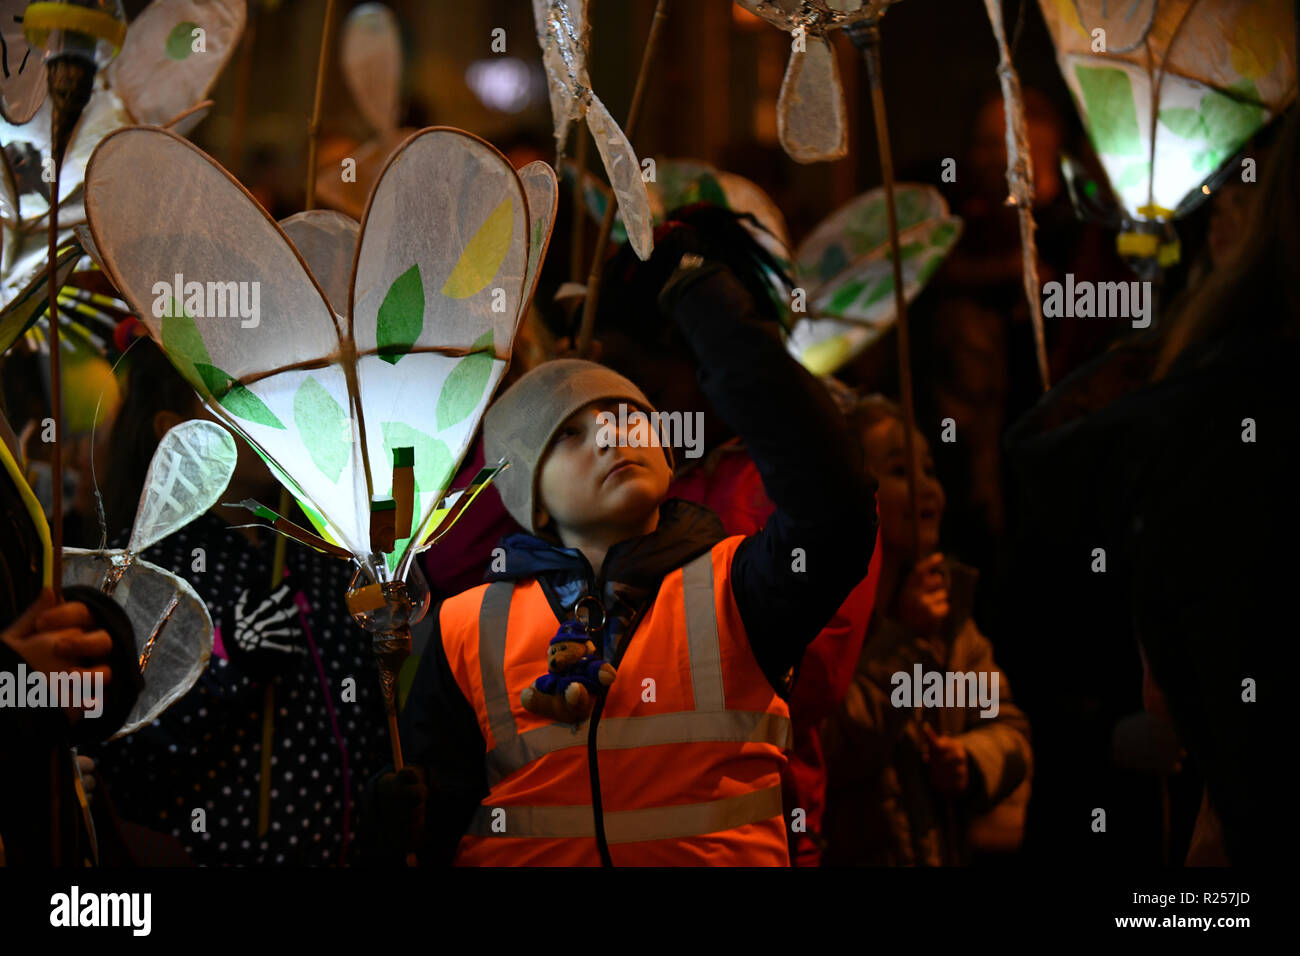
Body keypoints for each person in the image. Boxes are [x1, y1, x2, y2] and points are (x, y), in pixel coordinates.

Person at [366, 236, 878, 866]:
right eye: (571, 433)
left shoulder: (741, 586)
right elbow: (444, 820)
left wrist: (714, 310)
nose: (611, 436)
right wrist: (401, 834)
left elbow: (836, 502)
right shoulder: (463, 627)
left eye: (628, 416)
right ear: (534, 498)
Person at [87, 337, 391, 866]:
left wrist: (384, 792)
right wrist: (228, 661)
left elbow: (358, 711)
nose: (272, 413)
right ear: (177, 435)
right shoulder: (141, 572)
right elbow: (126, 758)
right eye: (238, 397)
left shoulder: (322, 550)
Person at [821, 396, 1031, 866]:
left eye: (930, 470)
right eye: (899, 471)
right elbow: (831, 750)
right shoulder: (825, 617)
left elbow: (1011, 731)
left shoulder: (950, 616)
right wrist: (905, 640)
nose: (926, 488)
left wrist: (972, 761)